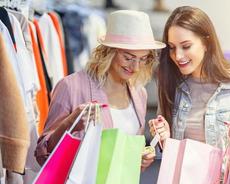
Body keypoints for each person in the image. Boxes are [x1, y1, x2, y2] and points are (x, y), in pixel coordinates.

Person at [35, 10, 166, 172]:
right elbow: (42, 154)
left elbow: (129, 157)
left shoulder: (139, 94)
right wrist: (70, 124)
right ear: (108, 51)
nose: (136, 67)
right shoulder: (71, 87)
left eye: (143, 59)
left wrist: (140, 161)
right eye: (128, 57)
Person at [149, 6, 230, 164]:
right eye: (172, 48)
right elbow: (164, 156)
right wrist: (163, 138)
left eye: (186, 46)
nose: (177, 56)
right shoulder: (172, 86)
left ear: (206, 43)